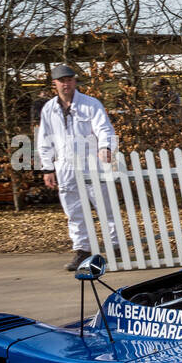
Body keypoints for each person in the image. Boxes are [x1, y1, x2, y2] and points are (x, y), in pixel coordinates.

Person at [36, 64, 120, 271]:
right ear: (55, 83)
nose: (66, 84)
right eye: (62, 80)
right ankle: (82, 250)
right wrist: (47, 168)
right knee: (73, 211)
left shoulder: (91, 104)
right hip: (64, 165)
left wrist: (105, 148)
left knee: (105, 207)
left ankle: (116, 248)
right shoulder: (49, 108)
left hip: (92, 163)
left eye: (70, 79)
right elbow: (44, 139)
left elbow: (104, 129)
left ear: (74, 81)